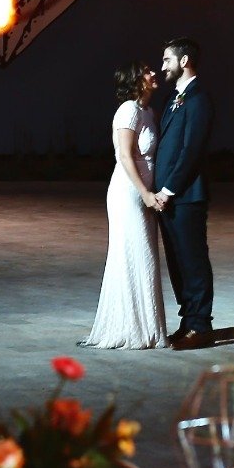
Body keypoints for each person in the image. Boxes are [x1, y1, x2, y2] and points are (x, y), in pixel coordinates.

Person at [81, 61, 168, 350]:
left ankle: (147, 329)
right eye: (146, 71)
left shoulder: (148, 112)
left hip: (142, 192)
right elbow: (125, 156)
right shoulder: (128, 110)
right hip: (128, 193)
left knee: (144, 256)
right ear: (135, 80)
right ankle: (130, 329)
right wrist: (144, 192)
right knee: (135, 254)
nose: (153, 72)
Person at [154, 37, 214, 346]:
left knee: (193, 261)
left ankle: (201, 327)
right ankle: (187, 321)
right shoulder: (173, 99)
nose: (162, 66)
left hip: (186, 196)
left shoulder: (198, 99)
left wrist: (168, 189)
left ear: (184, 61)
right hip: (168, 199)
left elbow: (191, 150)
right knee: (178, 262)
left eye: (167, 60)